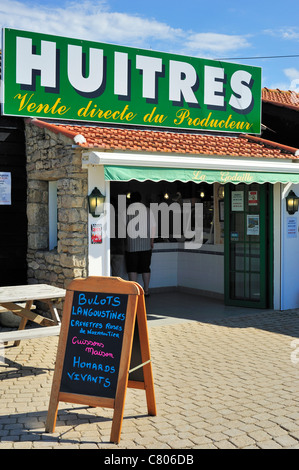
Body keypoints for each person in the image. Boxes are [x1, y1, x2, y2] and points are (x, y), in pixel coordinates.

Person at [125, 191, 156, 296]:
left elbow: (122, 228)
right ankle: (146, 290)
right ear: (140, 199)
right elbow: (153, 227)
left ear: (130, 200)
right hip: (146, 245)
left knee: (132, 268)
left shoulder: (126, 211)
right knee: (145, 268)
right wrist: (152, 241)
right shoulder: (148, 211)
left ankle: (133, 292)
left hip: (131, 245)